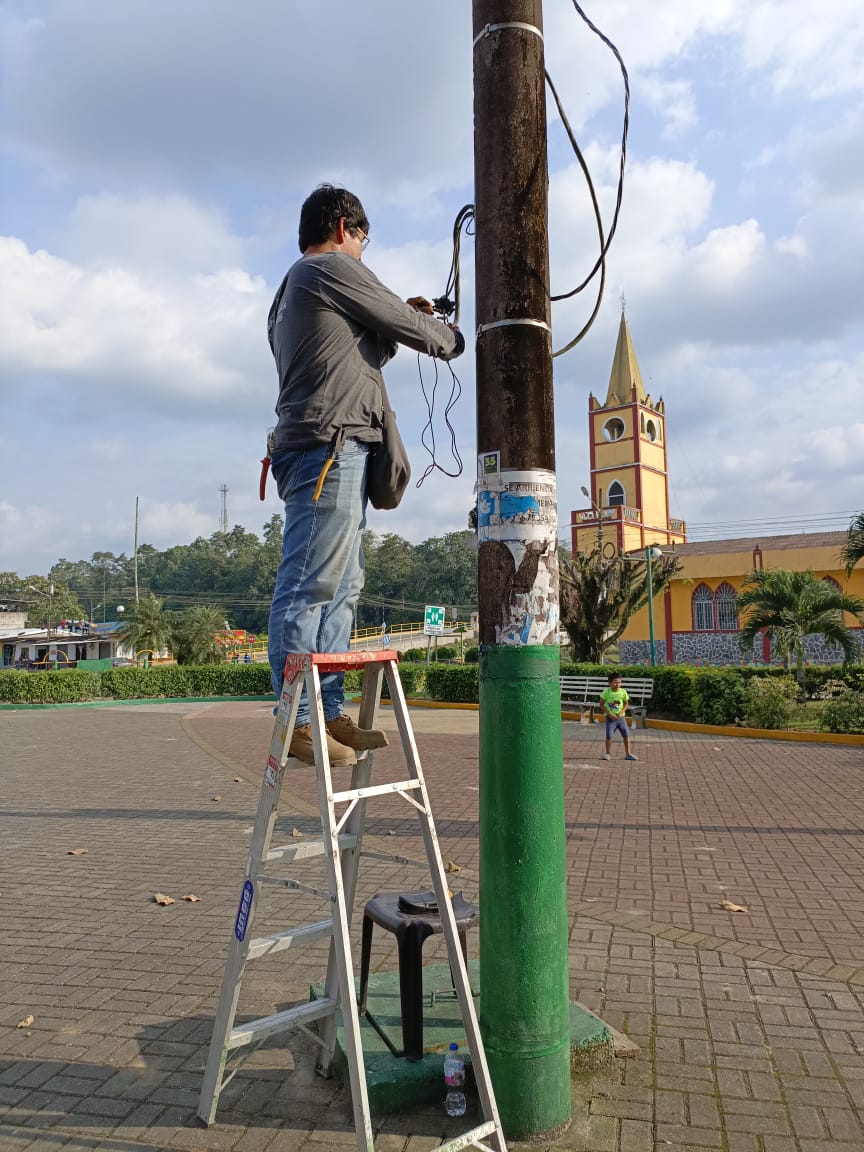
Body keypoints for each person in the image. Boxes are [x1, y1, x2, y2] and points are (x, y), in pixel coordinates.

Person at [267, 184, 465, 767]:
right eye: (363, 240)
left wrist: (403, 319)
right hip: (328, 448)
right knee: (310, 587)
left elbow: (362, 347)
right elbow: (397, 320)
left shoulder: (291, 290)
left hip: (330, 448)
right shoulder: (327, 268)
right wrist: (449, 337)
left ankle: (327, 713)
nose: (362, 251)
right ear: (342, 228)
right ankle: (297, 721)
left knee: (342, 588)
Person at [600, 672, 638, 761]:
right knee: (609, 735)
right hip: (610, 718)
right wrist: (609, 714)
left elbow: (626, 703)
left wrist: (621, 712)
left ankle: (628, 754)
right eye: (615, 682)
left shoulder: (623, 692)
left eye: (619, 682)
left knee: (626, 735)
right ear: (609, 683)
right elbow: (601, 705)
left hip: (621, 718)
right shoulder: (606, 692)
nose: (617, 684)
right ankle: (607, 753)